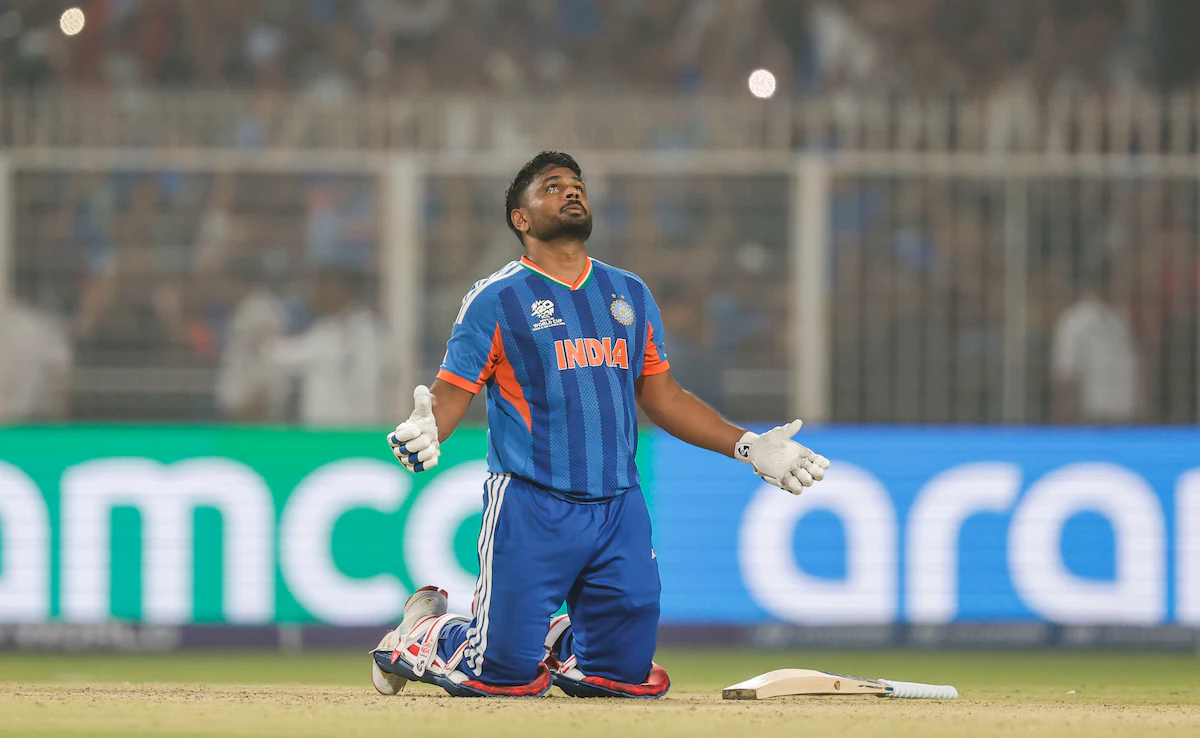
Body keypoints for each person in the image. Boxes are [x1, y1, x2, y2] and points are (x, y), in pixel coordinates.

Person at [369, 152, 830, 699]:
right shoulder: (495, 300)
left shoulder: (629, 294)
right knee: (501, 677)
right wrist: (428, 429)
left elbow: (664, 397)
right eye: (553, 187)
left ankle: (556, 636)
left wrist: (749, 446)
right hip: (531, 505)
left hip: (618, 509)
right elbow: (448, 396)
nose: (571, 192)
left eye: (576, 185)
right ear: (520, 218)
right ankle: (422, 632)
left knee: (620, 677)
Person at [270, 268, 384, 427]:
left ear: (345, 290)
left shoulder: (363, 330)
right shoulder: (326, 327)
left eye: (325, 286)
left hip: (352, 433)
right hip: (320, 431)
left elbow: (368, 388)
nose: (317, 292)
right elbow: (284, 355)